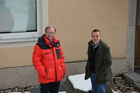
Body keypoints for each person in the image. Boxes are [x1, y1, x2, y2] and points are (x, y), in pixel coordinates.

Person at [32, 26, 66, 93]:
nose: (50, 34)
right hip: (46, 77)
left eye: (52, 32)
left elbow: (61, 58)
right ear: (45, 33)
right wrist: (44, 73)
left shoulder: (57, 44)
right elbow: (36, 62)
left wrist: (62, 70)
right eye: (49, 32)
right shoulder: (39, 46)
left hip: (56, 76)